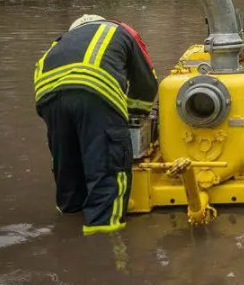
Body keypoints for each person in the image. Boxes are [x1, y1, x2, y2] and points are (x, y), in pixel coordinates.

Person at [34, 14, 158, 235]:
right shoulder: (121, 30)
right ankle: (103, 241)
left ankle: (67, 227)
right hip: (94, 89)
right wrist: (135, 115)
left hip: (46, 96)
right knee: (108, 168)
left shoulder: (60, 41)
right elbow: (146, 81)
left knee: (67, 165)